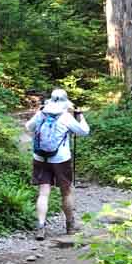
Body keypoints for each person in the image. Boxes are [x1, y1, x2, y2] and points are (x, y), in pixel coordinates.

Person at [25, 87, 90, 241]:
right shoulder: (66, 117)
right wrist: (80, 116)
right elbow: (84, 132)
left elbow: (28, 127)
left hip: (40, 157)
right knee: (66, 192)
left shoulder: (41, 112)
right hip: (61, 159)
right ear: (65, 102)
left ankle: (40, 227)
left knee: (43, 192)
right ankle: (70, 225)